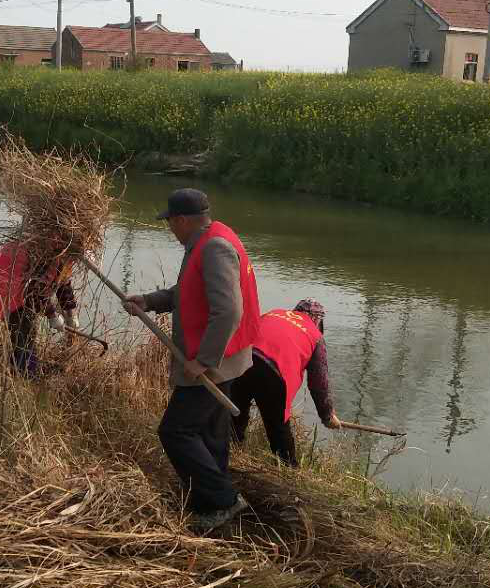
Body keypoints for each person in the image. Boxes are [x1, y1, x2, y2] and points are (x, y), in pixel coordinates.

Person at [124, 188, 260, 532]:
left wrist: (204, 359)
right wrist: (149, 300)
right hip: (223, 360)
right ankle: (206, 504)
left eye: (170, 222)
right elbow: (187, 293)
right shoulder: (207, 241)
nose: (169, 228)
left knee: (176, 431)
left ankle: (224, 500)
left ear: (181, 220)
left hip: (213, 364)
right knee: (209, 434)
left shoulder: (214, 248)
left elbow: (229, 310)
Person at [231, 300, 343, 466]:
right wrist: (327, 415)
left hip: (242, 359)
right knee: (278, 428)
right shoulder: (315, 335)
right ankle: (288, 469)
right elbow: (319, 382)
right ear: (318, 320)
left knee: (235, 413)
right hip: (274, 372)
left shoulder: (274, 312)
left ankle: (231, 453)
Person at [0, 241, 79, 378]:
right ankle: (27, 373)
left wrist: (70, 314)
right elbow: (34, 293)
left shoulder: (63, 254)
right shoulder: (50, 256)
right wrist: (52, 315)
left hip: (7, 273)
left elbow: (63, 283)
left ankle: (18, 363)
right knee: (24, 324)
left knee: (23, 324)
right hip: (1, 277)